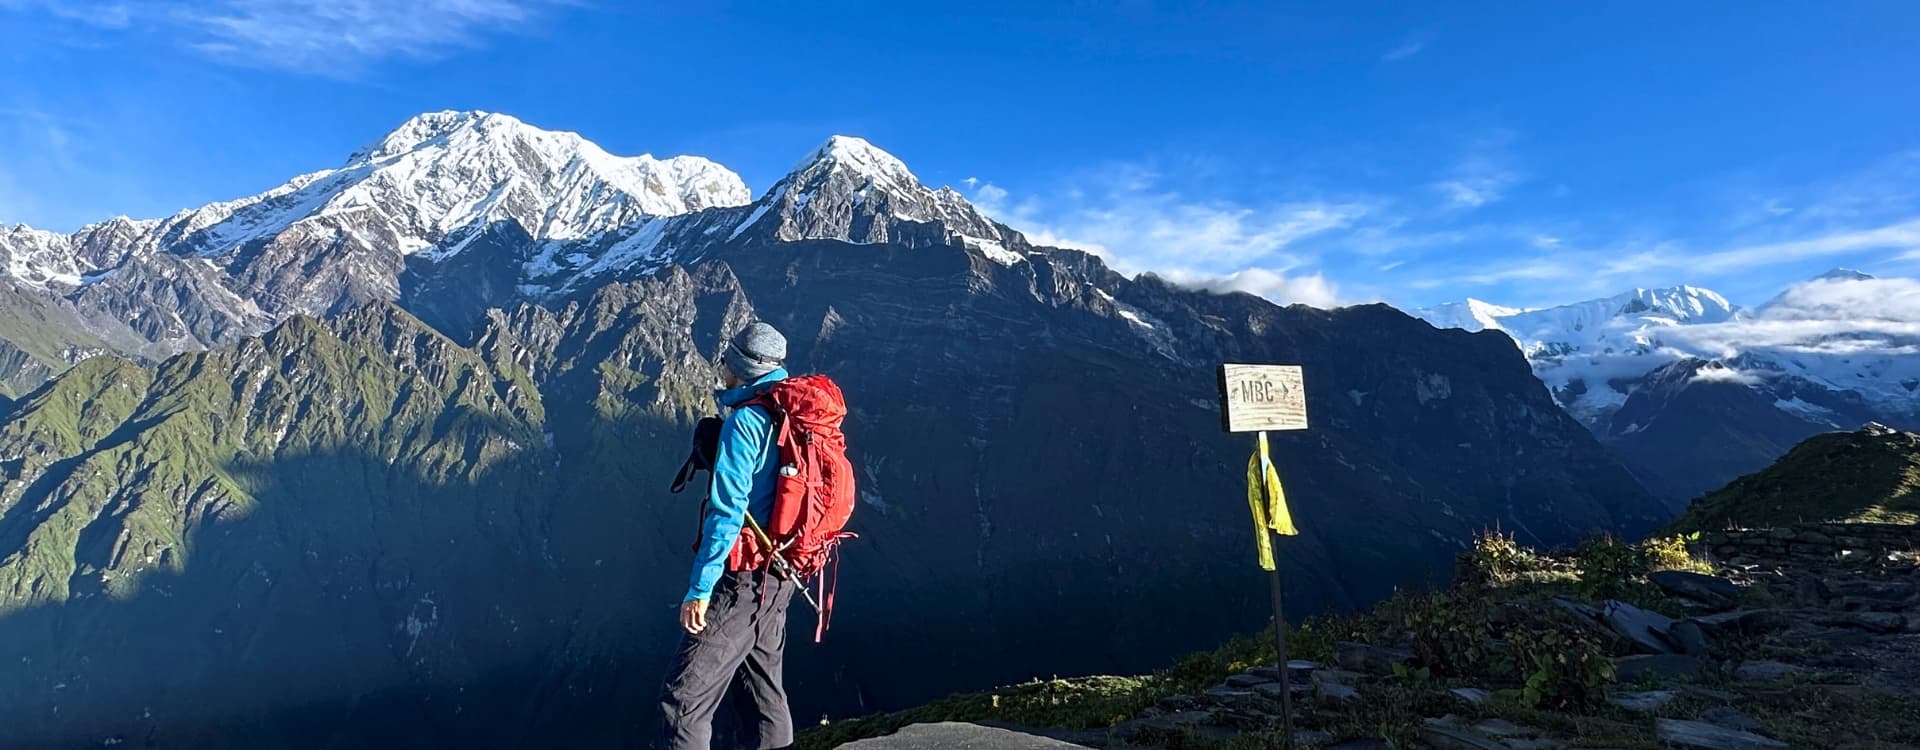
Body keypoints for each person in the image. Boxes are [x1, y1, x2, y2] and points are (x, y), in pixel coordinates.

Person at [660, 321, 797, 750]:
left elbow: (727, 512)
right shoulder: (791, 411)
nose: (721, 367)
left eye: (727, 359)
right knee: (762, 693)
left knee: (683, 702)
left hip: (742, 581)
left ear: (741, 366)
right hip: (783, 573)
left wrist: (700, 589)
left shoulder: (747, 421)